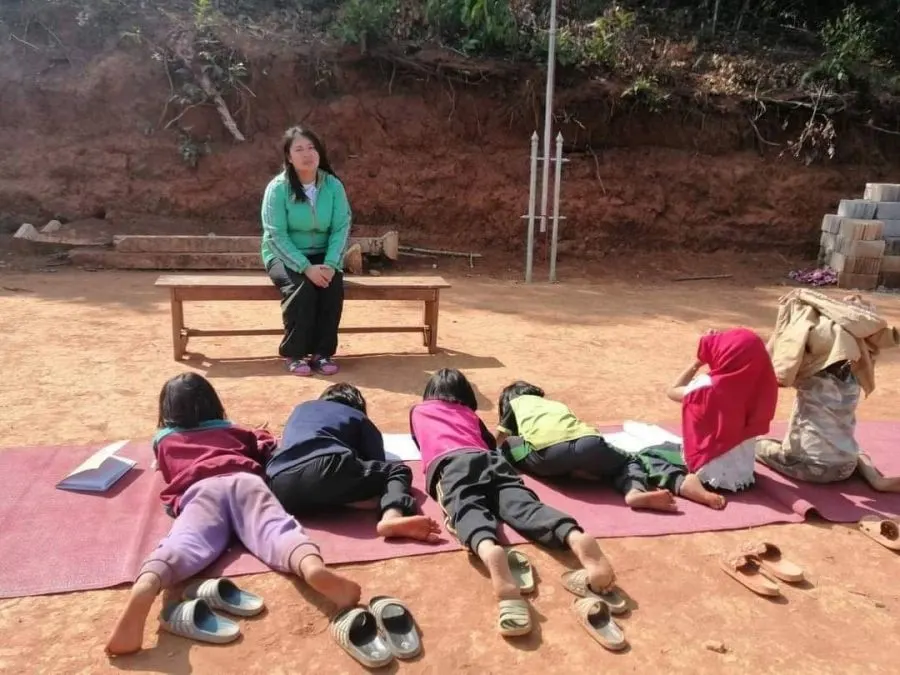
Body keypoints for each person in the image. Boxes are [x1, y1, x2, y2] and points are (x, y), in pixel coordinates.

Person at [105, 373, 361, 656]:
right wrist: (261, 435)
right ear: (214, 403)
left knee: (184, 543)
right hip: (246, 481)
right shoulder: (235, 431)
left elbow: (165, 469)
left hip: (200, 490)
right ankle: (310, 566)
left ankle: (149, 583)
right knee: (277, 530)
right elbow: (263, 447)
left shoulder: (164, 440)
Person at [409, 368, 618, 637]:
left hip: (451, 464)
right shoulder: (470, 414)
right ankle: (573, 536)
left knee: (465, 508)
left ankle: (488, 549)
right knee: (523, 504)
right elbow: (489, 444)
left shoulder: (419, 411)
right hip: (491, 461)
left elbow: (421, 443)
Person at [496, 381, 726, 511]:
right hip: (589, 443)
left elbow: (501, 436)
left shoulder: (516, 403)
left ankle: (571, 473)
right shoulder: (554, 405)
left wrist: (496, 451)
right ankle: (634, 490)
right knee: (629, 461)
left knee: (509, 446)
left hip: (550, 457)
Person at [755, 291, 900, 491]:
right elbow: (856, 329)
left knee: (757, 444)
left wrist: (782, 326)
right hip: (846, 467)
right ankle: (876, 479)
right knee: (855, 450)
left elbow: (773, 362)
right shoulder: (855, 379)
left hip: (809, 466)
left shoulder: (809, 377)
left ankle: (784, 454)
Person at [267, 382, 441, 542]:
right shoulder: (357, 416)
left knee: (320, 486)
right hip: (327, 466)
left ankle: (341, 500)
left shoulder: (300, 409)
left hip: (279, 483)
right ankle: (392, 516)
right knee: (396, 471)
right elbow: (376, 459)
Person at [261, 126, 352, 377]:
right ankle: (295, 353)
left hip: (323, 253)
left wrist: (331, 264)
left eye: (311, 148)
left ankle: (322, 353)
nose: (307, 154)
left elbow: (341, 227)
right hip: (283, 254)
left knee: (331, 287)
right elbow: (275, 234)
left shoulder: (333, 186)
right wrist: (305, 267)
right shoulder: (278, 188)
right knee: (301, 288)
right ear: (289, 157)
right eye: (299, 149)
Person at [666, 328, 778, 503]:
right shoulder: (762, 385)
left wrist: (697, 362)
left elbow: (672, 391)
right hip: (743, 476)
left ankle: (689, 485)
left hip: (708, 474)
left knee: (652, 454)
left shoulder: (707, 386)